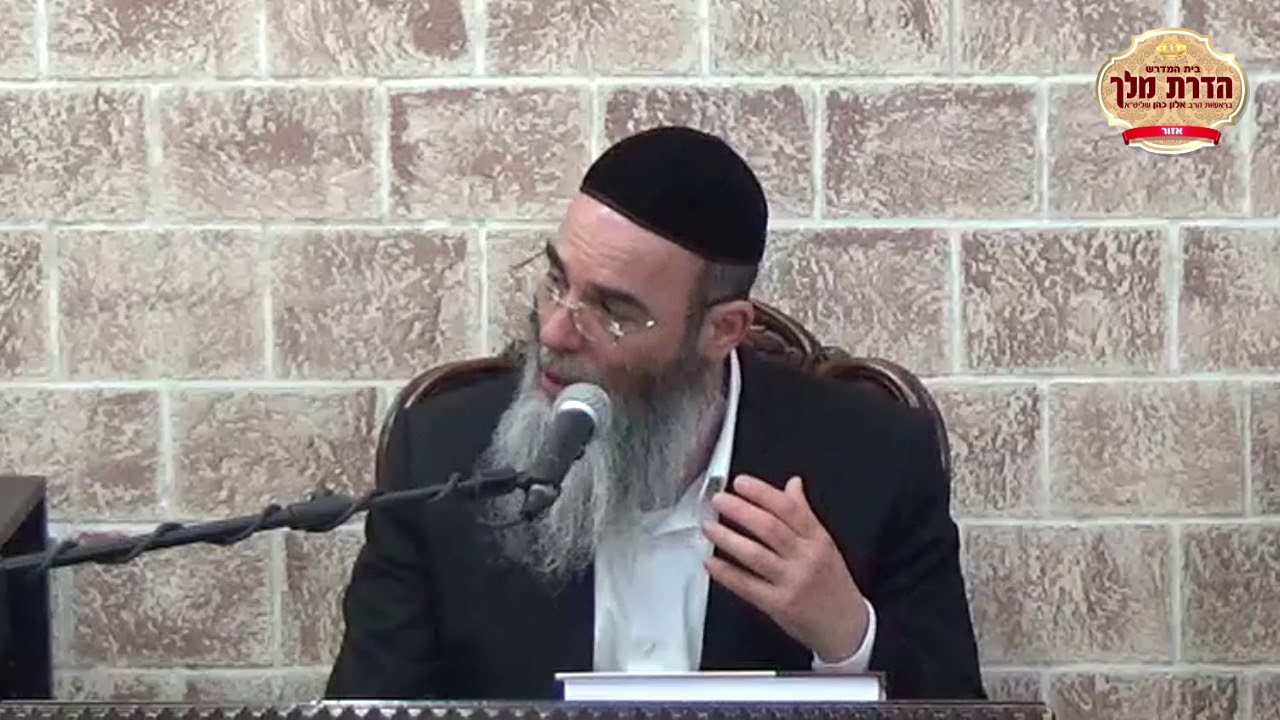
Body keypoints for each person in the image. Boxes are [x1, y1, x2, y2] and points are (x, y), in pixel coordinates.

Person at [324, 125, 986, 701]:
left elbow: (955, 703)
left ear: (722, 330)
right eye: (557, 281)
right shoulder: (443, 458)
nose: (554, 331)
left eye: (613, 311)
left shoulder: (874, 458)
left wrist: (847, 636)